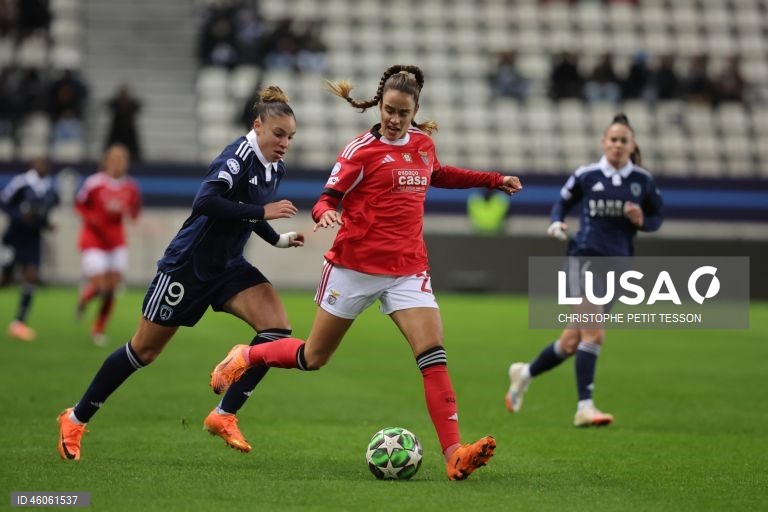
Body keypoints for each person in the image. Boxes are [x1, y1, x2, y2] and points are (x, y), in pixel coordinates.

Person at [209, 64, 523, 480]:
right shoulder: (360, 150)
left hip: (408, 269)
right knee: (312, 357)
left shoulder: (423, 147)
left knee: (433, 356)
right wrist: (326, 215)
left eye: (403, 113)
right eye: (388, 110)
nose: (394, 119)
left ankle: (454, 453)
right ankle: (247, 355)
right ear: (379, 105)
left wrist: (493, 179)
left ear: (415, 112)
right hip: (353, 269)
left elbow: (440, 174)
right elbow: (326, 197)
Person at [57, 86, 304, 461]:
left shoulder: (274, 166)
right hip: (187, 268)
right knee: (143, 351)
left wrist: (277, 240)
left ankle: (224, 414)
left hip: (228, 267)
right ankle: (75, 418)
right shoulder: (237, 156)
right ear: (258, 126)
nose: (285, 143)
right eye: (279, 134)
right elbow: (206, 201)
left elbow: (249, 209)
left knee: (276, 330)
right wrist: (263, 214)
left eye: (290, 137)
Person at [505, 113, 663, 427]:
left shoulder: (641, 181)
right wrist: (556, 222)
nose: (617, 145)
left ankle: (524, 373)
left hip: (618, 266)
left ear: (632, 146)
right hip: (584, 258)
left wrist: (641, 221)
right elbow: (561, 203)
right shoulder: (587, 175)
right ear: (603, 143)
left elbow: (657, 216)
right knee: (594, 334)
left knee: (570, 343)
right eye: (613, 139)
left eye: (623, 141)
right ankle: (584, 407)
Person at [74, 144, 142, 346]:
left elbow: (134, 211)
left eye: (122, 159)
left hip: (116, 241)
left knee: (112, 290)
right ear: (106, 161)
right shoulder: (94, 183)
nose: (118, 163)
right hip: (93, 239)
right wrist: (91, 218)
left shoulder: (130, 187)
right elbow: (79, 204)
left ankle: (98, 329)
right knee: (101, 286)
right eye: (114, 158)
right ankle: (85, 298)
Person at [1, 157, 59, 341]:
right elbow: (4, 201)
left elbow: (43, 213)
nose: (42, 166)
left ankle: (19, 323)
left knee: (31, 276)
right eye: (39, 163)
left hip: (33, 239)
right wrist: (19, 216)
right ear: (32, 165)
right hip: (14, 237)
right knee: (5, 279)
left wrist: (46, 225)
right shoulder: (22, 182)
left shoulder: (50, 188)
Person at [104, 84, 142, 161]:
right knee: (111, 148)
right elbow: (108, 104)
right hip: (116, 130)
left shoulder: (131, 104)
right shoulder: (115, 103)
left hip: (129, 131)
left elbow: (138, 106)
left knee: (133, 151)